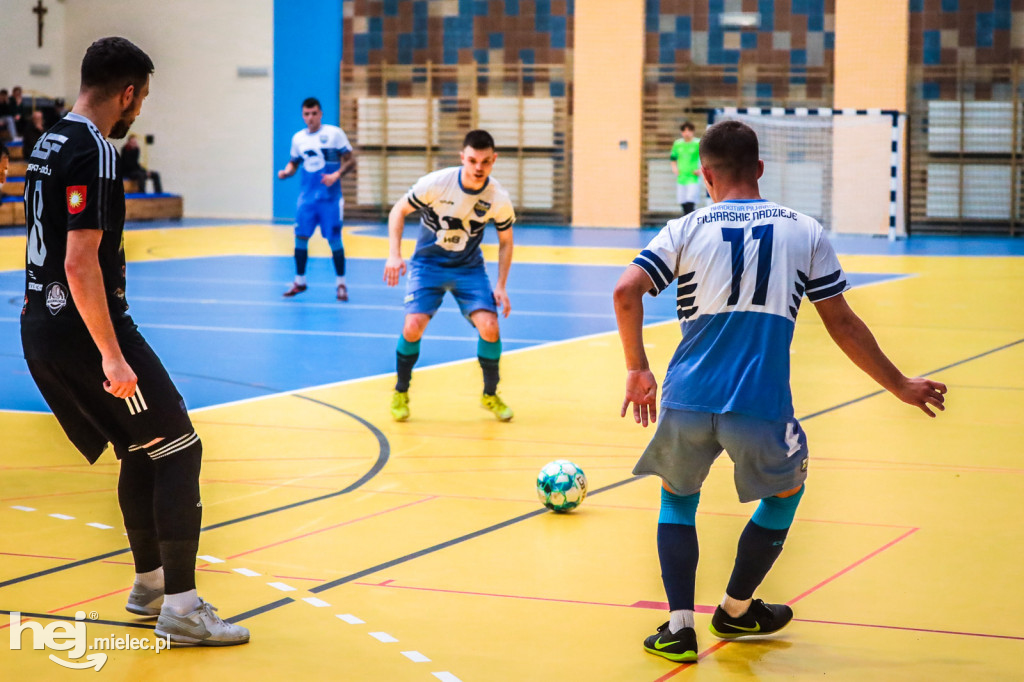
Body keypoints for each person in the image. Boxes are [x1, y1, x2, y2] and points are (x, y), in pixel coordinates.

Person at [613, 119, 947, 663]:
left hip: (686, 397)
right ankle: (737, 610)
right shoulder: (804, 230)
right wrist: (900, 385)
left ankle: (678, 627)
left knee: (677, 499)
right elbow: (843, 325)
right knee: (785, 493)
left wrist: (637, 369)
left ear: (705, 175)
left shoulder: (685, 228)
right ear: (760, 169)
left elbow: (627, 290)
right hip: (760, 404)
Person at [20, 36, 249, 646]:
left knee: (142, 449)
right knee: (179, 447)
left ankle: (150, 586)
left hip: (39, 325)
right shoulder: (95, 150)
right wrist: (113, 355)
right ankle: (182, 606)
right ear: (126, 94)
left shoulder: (45, 141)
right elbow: (79, 262)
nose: (139, 111)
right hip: (83, 332)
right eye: (141, 99)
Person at [383, 129, 516, 422]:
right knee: (412, 327)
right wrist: (394, 254)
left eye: (485, 161)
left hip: (468, 267)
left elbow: (506, 241)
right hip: (427, 265)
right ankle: (401, 390)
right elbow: (398, 211)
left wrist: (501, 285)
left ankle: (490, 394)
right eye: (472, 160)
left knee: (490, 327)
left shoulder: (497, 197)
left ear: (494, 160)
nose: (478, 167)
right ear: (462, 159)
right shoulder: (437, 183)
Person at [277, 97, 355, 301]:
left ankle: (341, 284)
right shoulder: (298, 139)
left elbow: (351, 161)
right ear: (303, 116)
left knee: (334, 240)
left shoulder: (334, 134)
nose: (310, 118)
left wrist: (336, 175)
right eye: (306, 114)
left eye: (314, 114)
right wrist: (287, 172)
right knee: (300, 237)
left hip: (330, 199)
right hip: (307, 199)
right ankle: (300, 281)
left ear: (320, 114)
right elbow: (294, 163)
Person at [670, 122, 701, 215]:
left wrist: (701, 169)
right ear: (681, 132)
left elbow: (705, 157)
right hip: (681, 176)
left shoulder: (697, 143)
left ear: (693, 131)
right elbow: (673, 158)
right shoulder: (678, 144)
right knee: (682, 199)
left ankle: (690, 219)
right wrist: (674, 168)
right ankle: (685, 218)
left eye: (689, 130)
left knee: (691, 198)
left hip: (693, 176)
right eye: (684, 131)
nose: (686, 133)